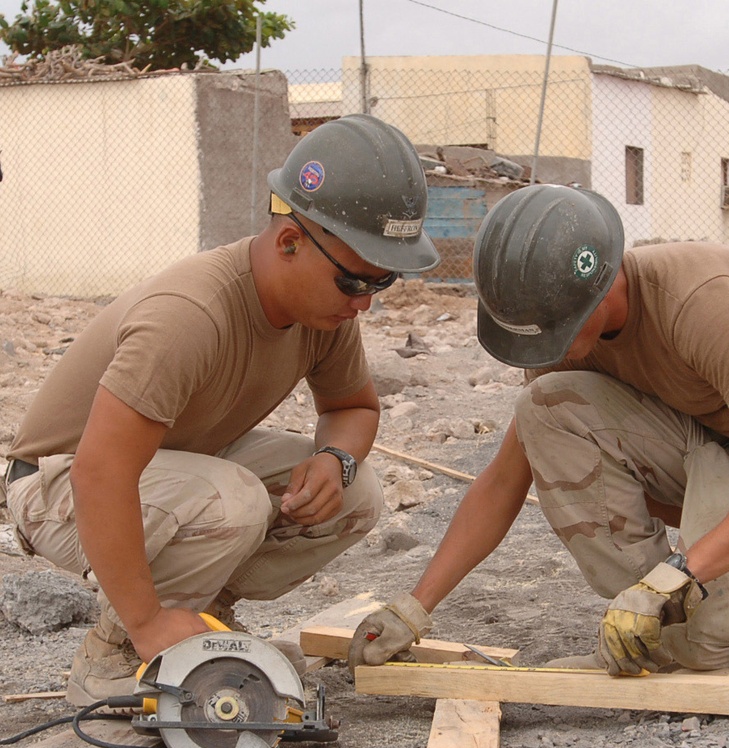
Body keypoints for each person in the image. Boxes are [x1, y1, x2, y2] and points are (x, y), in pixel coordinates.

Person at [349, 183, 729, 677]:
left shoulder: (697, 301)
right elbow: (503, 481)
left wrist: (682, 572)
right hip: (711, 444)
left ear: (605, 281)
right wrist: (416, 606)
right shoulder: (559, 331)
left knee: (715, 640)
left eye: (557, 331)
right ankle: (668, 614)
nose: (551, 349)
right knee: (543, 406)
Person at [1, 114, 439, 706]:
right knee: (233, 499)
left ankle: (201, 619)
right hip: (57, 485)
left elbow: (353, 406)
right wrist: (147, 621)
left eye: (381, 285)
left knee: (357, 494)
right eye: (357, 283)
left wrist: (336, 458)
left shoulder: (325, 311)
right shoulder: (190, 315)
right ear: (289, 243)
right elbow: (100, 471)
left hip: (170, 468)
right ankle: (116, 653)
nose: (364, 303)